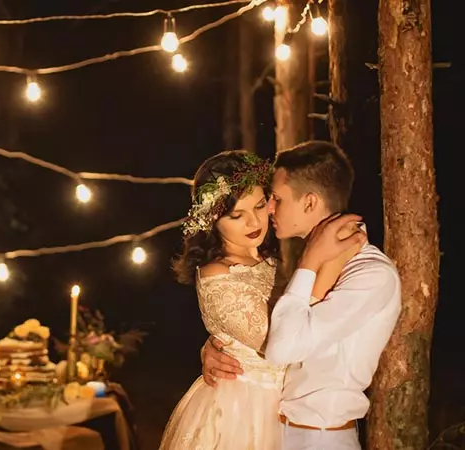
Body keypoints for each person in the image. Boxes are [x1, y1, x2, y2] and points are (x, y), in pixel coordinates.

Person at [201, 141, 401, 449]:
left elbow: (282, 348)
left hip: (322, 438)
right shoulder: (313, 266)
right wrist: (219, 343)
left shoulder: (369, 275)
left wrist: (311, 259)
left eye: (275, 199)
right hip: (276, 429)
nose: (269, 209)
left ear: (309, 203)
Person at [159, 149, 355, 450]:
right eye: (237, 215)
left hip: (292, 402)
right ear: (212, 220)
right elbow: (283, 341)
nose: (253, 222)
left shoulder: (270, 259)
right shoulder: (217, 274)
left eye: (261, 205)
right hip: (243, 412)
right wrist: (315, 259)